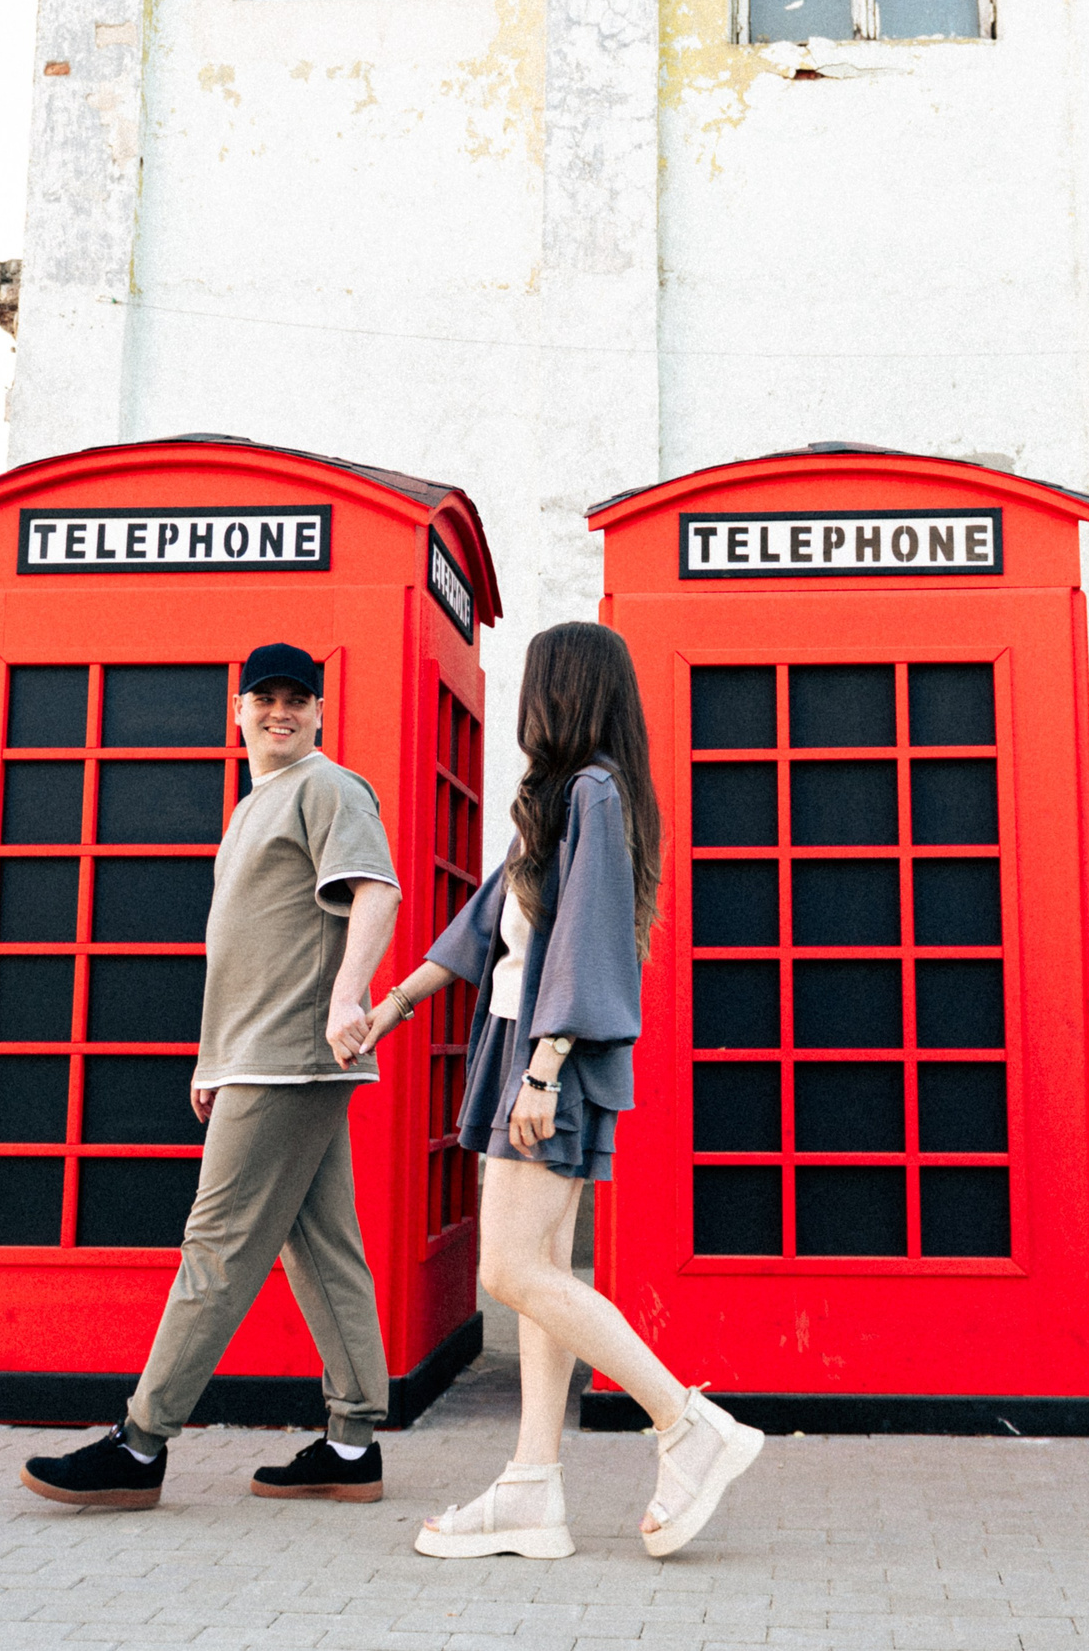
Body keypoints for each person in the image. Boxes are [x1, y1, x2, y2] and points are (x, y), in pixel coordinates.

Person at [350, 621, 763, 1560]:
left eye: (536, 684)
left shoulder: (594, 792)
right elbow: (494, 912)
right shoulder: (562, 799)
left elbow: (584, 933)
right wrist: (397, 1002)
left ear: (560, 691)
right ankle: (533, 1487)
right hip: (526, 1054)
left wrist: (544, 1068)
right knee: (544, 1278)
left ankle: (688, 1422)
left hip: (549, 1066)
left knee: (507, 1270)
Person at [20, 642, 403, 1510]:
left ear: (317, 710)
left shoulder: (327, 786)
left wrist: (349, 998)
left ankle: (141, 1441)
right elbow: (245, 946)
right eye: (264, 697)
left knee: (217, 1245)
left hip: (292, 1057)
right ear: (237, 710)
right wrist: (209, 1055)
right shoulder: (253, 806)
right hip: (257, 1055)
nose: (280, 711)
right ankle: (351, 1447)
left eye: (296, 698)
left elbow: (378, 892)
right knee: (320, 1246)